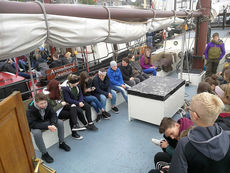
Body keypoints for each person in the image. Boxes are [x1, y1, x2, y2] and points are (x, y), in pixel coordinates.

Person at [168, 92, 230, 173]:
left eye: (189, 109)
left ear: (195, 116)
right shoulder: (228, 135)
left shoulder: (184, 144)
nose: (188, 109)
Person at [26, 93, 71, 163]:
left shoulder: (47, 104)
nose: (44, 105)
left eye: (45, 102)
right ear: (36, 102)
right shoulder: (30, 110)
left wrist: (52, 124)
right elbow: (32, 124)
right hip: (36, 124)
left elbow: (53, 114)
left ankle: (62, 143)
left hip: (46, 121)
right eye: (41, 104)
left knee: (60, 122)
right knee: (37, 133)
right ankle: (44, 153)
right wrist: (47, 126)